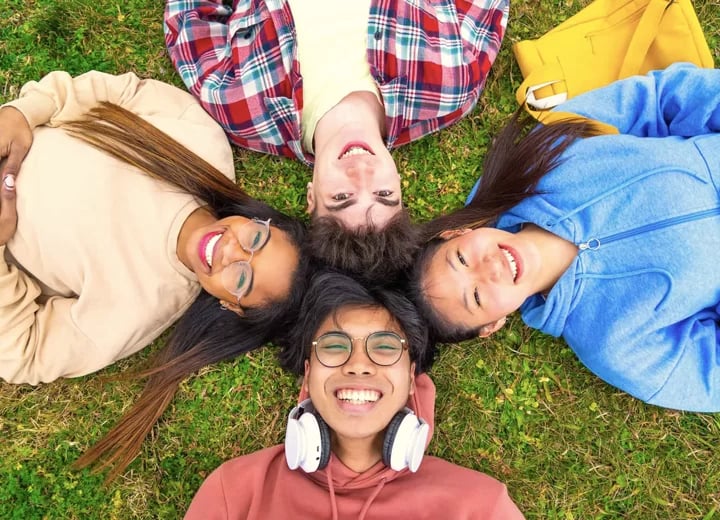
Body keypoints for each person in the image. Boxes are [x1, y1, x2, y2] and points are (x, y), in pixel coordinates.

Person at [0, 70, 310, 477]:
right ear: (260, 219)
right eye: (255, 239)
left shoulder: (137, 309)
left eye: (241, 279)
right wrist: (21, 114)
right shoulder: (200, 141)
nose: (231, 251)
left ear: (231, 306)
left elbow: (23, 352)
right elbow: (113, 92)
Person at [412, 62, 720, 413]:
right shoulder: (613, 345)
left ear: (457, 233)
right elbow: (711, 374)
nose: (490, 269)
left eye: (461, 259)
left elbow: (655, 97)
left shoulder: (541, 159)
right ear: (492, 326)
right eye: (477, 297)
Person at [164, 0, 509, 282]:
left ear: (311, 197)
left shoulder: (245, 110)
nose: (362, 173)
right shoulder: (447, 89)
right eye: (384, 194)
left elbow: (189, 18)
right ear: (399, 184)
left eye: (342, 197)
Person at [185, 270, 525, 519]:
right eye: (335, 346)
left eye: (385, 347)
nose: (359, 365)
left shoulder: (481, 507)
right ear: (308, 374)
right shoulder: (236, 491)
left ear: (410, 378)